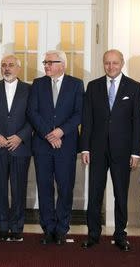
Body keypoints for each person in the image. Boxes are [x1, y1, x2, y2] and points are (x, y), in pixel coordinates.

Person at [80, 49, 140, 251]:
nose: (111, 66)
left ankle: (120, 235)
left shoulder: (134, 88)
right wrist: (85, 148)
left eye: (115, 63)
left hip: (123, 151)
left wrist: (136, 152)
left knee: (120, 194)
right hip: (97, 149)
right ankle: (93, 235)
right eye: (107, 62)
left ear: (122, 63)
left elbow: (137, 122)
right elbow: (87, 119)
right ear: (103, 63)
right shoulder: (93, 86)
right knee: (95, 194)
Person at [27, 50, 84, 245]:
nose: (46, 65)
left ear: (63, 64)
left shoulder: (76, 84)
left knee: (65, 188)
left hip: (66, 145)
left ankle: (62, 229)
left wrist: (61, 131)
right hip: (42, 145)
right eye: (45, 62)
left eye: (50, 62)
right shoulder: (37, 84)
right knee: (44, 188)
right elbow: (32, 112)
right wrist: (48, 134)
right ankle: (48, 229)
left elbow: (79, 114)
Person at [0, 55, 32, 242]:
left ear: (18, 68)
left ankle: (17, 228)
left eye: (11, 65)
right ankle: (2, 227)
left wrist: (21, 136)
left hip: (21, 147)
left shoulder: (29, 89)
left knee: (19, 190)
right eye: (3, 65)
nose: (7, 68)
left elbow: (33, 116)